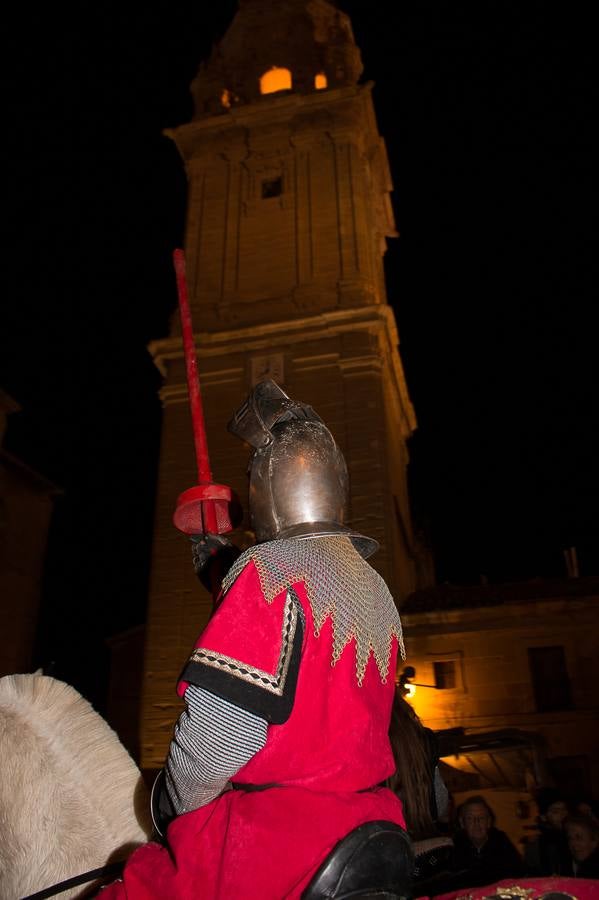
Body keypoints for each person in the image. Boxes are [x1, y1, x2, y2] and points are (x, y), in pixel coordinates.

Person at [101, 380, 410, 899]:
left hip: (276, 847)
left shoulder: (266, 574)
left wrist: (176, 805)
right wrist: (225, 574)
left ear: (269, 486)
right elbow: (310, 665)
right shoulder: (373, 587)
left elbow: (221, 739)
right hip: (372, 825)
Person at [451, 795, 524, 887]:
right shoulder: (452, 846)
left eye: (481, 818)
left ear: (489, 822)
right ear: (462, 823)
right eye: (470, 818)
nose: (476, 822)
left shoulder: (501, 842)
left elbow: (518, 873)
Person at [524, 787, 570, 876]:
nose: (563, 814)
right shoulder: (535, 846)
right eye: (555, 811)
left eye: (564, 809)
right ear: (543, 817)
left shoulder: (574, 838)